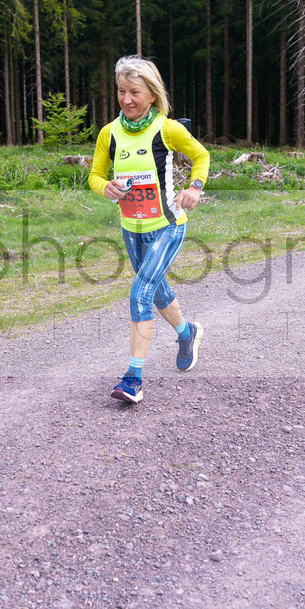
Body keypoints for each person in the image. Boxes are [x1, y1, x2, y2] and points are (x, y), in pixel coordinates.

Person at [88, 55, 210, 404]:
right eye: (121, 91)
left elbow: (201, 155)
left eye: (135, 92)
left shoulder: (168, 129)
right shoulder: (109, 133)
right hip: (132, 229)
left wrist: (194, 187)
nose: (127, 99)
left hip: (167, 226)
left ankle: (133, 378)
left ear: (152, 95)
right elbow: (95, 176)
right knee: (155, 291)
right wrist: (105, 188)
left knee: (140, 293)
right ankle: (188, 333)